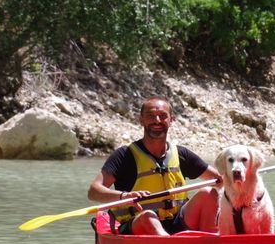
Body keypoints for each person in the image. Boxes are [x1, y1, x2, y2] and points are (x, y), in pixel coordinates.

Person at [88, 96, 222, 236]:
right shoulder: (124, 155)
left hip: (177, 221)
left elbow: (219, 180)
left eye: (163, 116)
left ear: (171, 120)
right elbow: (93, 191)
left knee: (208, 193)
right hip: (138, 223)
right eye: (151, 116)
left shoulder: (182, 154)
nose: (157, 120)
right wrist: (125, 196)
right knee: (148, 217)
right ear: (141, 120)